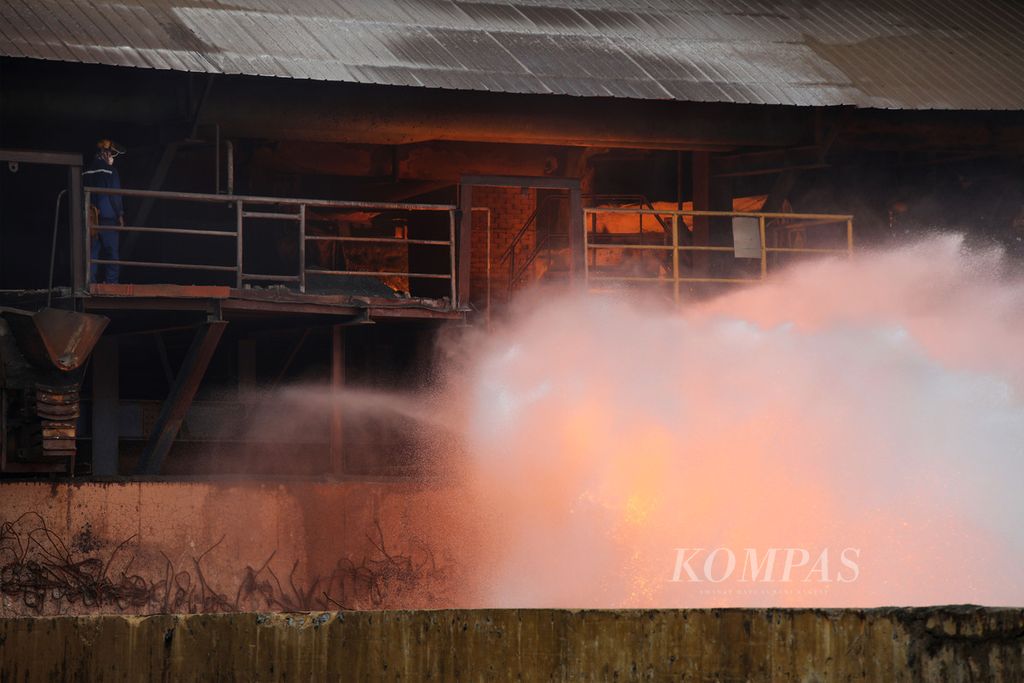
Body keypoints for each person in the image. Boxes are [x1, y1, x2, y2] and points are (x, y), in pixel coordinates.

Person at [82, 139, 126, 284]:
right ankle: (112, 284)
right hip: (108, 218)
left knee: (92, 253)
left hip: (91, 219)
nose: (113, 157)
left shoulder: (85, 172)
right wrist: (120, 215)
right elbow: (114, 195)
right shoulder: (110, 171)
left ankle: (91, 282)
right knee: (111, 253)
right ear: (105, 154)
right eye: (111, 154)